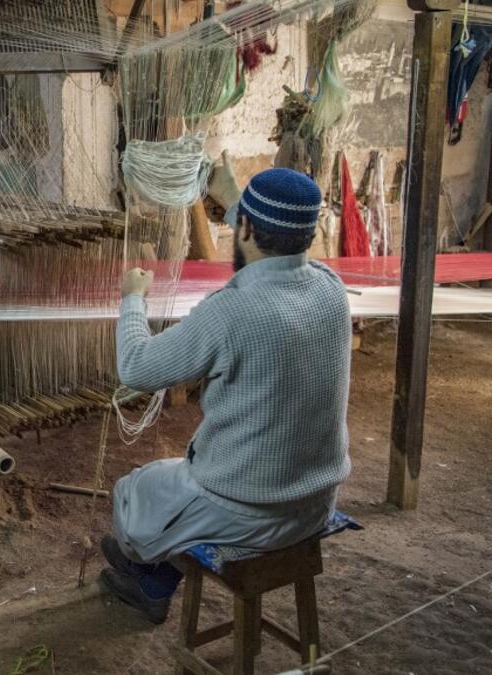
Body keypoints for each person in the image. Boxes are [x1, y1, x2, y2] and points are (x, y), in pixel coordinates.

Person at [100, 168, 352, 624]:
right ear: (309, 235)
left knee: (133, 492)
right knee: (173, 484)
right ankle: (154, 580)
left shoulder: (231, 311)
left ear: (247, 230)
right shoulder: (331, 290)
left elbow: (135, 369)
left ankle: (147, 575)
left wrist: (133, 298)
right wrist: (233, 197)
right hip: (315, 504)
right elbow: (273, 236)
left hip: (248, 512)